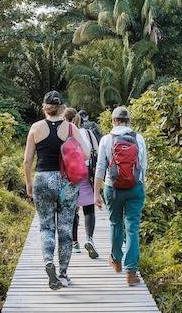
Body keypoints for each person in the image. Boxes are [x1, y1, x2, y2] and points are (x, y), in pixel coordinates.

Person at [23, 91, 90, 289]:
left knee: (46, 226)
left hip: (43, 179)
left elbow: (27, 160)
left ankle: (48, 262)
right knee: (64, 228)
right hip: (66, 181)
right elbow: (86, 154)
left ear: (44, 107)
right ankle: (62, 274)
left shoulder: (35, 128)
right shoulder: (70, 128)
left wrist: (28, 183)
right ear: (62, 108)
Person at [93, 105, 148, 286]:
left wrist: (96, 194)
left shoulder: (107, 139)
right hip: (135, 188)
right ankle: (131, 272)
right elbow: (144, 166)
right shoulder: (138, 138)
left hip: (113, 188)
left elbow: (100, 167)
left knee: (115, 223)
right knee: (132, 228)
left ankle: (116, 261)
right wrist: (139, 186)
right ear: (129, 121)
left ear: (113, 121)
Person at [63, 107, 99, 259]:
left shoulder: (63, 133)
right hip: (86, 172)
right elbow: (96, 151)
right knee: (89, 207)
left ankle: (74, 243)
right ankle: (89, 239)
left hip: (70, 173)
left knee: (72, 207)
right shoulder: (89, 133)